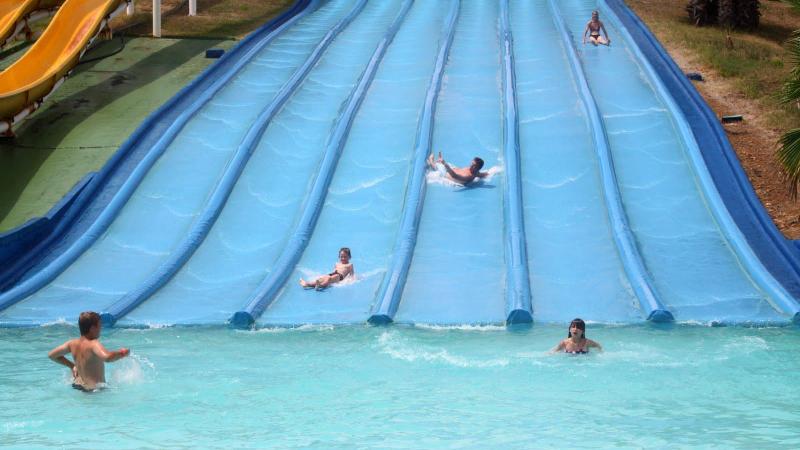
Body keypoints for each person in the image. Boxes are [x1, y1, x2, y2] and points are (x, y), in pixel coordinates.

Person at [48, 311, 130, 392]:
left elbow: (52, 355)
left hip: (77, 386)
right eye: (99, 325)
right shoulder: (93, 344)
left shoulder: (72, 343)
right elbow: (107, 357)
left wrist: (72, 366)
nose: (101, 328)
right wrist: (123, 353)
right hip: (94, 391)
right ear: (92, 328)